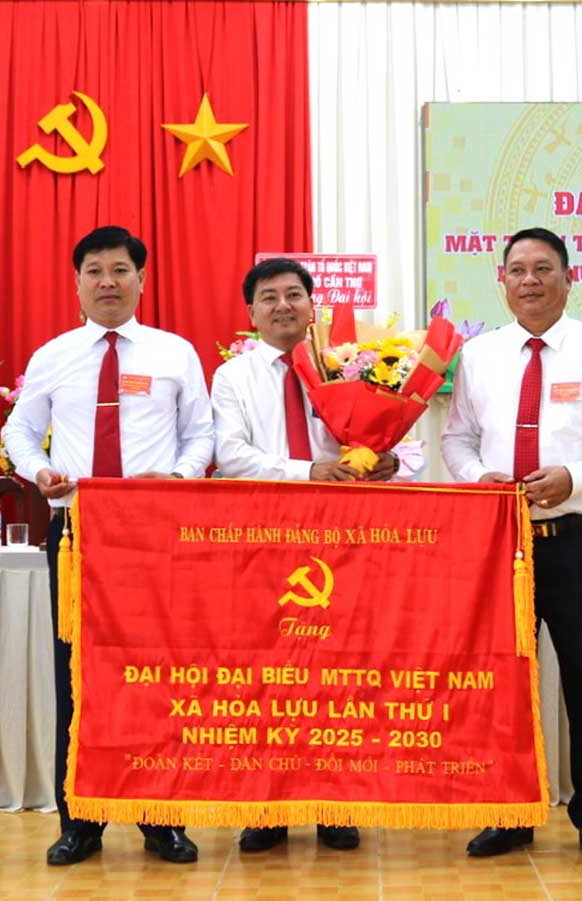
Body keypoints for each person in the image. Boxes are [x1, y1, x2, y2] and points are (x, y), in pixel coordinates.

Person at [2, 225, 214, 865]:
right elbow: (18, 430)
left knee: (159, 674)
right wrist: (39, 471)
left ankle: (161, 819)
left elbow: (200, 434)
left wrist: (178, 478)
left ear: (141, 280)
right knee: (77, 675)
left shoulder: (174, 352)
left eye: (120, 270)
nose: (107, 282)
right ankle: (81, 821)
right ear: (77, 283)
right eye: (94, 270)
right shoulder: (54, 355)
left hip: (155, 531)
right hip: (77, 533)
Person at [442, 227, 582, 859]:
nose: (529, 280)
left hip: (578, 539)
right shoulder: (480, 355)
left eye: (542, 268)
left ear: (568, 277)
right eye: (517, 270)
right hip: (502, 544)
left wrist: (575, 478)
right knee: (505, 680)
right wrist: (479, 478)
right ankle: (510, 811)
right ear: (501, 280)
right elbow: (457, 439)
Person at [211, 256, 396, 853]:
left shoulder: (349, 365)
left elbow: (388, 440)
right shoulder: (233, 378)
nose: (283, 306)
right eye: (269, 297)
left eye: (294, 294)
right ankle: (266, 808)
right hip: (262, 539)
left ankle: (334, 804)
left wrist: (390, 460)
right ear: (251, 312)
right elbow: (231, 455)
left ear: (312, 305)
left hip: (342, 538)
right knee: (265, 676)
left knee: (339, 675)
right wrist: (307, 470)